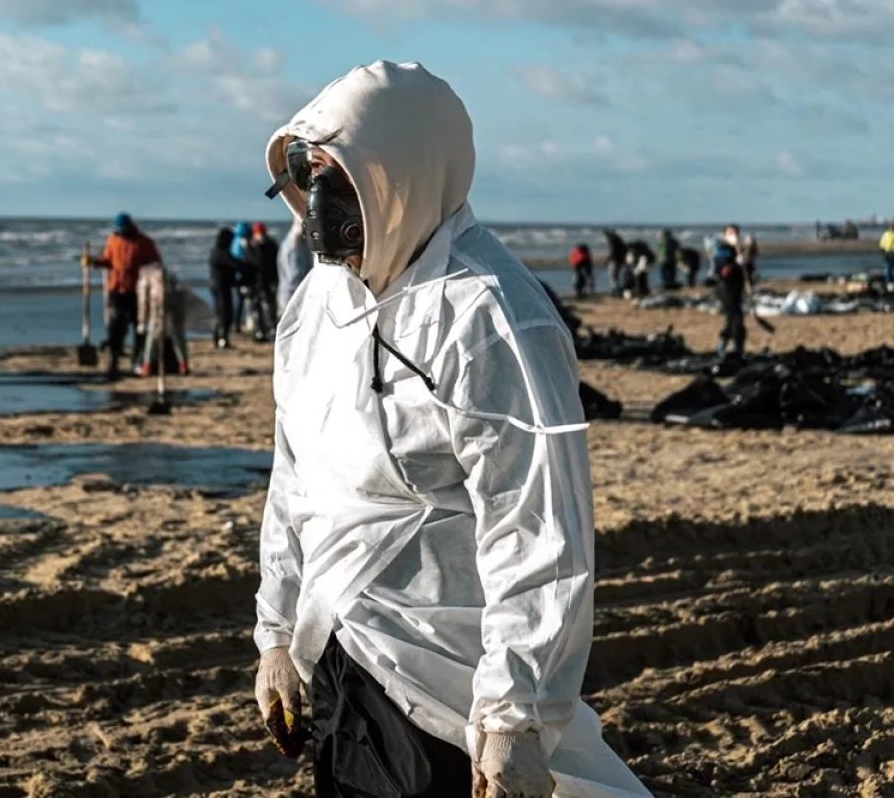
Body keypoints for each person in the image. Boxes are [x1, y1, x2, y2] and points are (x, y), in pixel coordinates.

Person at [255, 60, 651, 798]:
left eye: (338, 184)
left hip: (446, 672)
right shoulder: (317, 304)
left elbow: (537, 526)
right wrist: (277, 634)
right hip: (337, 647)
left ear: (400, 175)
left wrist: (515, 717)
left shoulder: (489, 315)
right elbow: (295, 473)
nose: (317, 212)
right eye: (307, 183)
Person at [91, 212, 159, 377]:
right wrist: (94, 262)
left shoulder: (144, 242)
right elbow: (108, 260)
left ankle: (138, 360)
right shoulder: (113, 240)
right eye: (119, 229)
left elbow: (155, 264)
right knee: (115, 327)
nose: (122, 232)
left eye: (124, 229)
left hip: (138, 292)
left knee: (139, 328)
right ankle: (113, 361)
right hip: (117, 289)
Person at [135, 262, 189, 376]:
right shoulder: (167, 273)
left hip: (159, 298)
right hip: (177, 297)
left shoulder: (144, 276)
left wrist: (142, 321)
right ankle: (183, 365)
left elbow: (143, 301)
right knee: (177, 334)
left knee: (153, 334)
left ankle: (147, 366)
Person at [713, 226, 754, 359]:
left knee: (732, 319)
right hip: (725, 288)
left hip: (737, 287)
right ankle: (737, 348)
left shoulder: (740, 249)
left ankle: (725, 345)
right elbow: (723, 270)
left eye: (735, 233)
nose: (733, 235)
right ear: (725, 235)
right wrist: (735, 264)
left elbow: (748, 270)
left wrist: (747, 259)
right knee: (736, 318)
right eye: (730, 233)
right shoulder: (723, 249)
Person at [248, 222, 280, 340]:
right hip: (256, 281)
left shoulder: (271, 246)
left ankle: (272, 330)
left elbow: (274, 264)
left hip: (267, 280)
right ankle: (259, 331)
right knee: (256, 307)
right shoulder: (252, 247)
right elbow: (250, 264)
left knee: (269, 306)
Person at [276, 222, 313, 318]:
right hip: (291, 295)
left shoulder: (298, 246)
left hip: (291, 294)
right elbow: (295, 275)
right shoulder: (292, 249)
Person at [209, 227, 237, 348]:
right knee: (224, 315)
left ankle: (221, 339)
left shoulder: (218, 252)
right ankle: (221, 339)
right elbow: (234, 264)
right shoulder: (220, 253)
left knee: (223, 314)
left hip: (221, 287)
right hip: (220, 288)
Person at [231, 221, 255, 334]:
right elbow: (244, 260)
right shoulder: (242, 244)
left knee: (239, 303)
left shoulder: (234, 242)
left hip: (238, 276)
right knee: (244, 301)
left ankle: (237, 324)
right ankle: (241, 324)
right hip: (243, 276)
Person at [603, 229, 628, 296]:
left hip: (615, 261)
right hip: (620, 261)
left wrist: (607, 259)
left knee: (613, 277)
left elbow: (613, 253)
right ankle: (617, 291)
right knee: (615, 277)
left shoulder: (612, 241)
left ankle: (616, 292)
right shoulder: (618, 240)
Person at [879, 221, 894, 290]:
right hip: (892, 252)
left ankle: (888, 281)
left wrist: (883, 253)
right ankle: (889, 281)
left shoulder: (885, 234)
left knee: (889, 267)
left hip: (887, 253)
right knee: (890, 267)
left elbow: (881, 245)